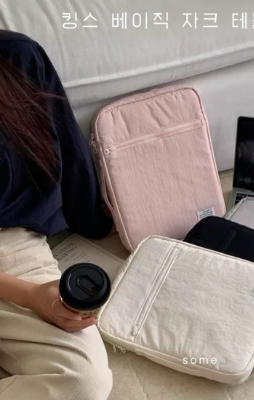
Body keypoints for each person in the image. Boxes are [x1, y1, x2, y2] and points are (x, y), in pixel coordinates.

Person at [0, 31, 113, 399]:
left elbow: (66, 146)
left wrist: (95, 220)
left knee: (81, 381)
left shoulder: (17, 56)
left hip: (12, 246)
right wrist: (29, 296)